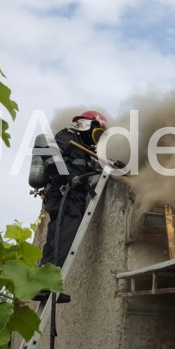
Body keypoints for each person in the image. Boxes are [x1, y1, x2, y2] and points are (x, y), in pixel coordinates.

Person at [35, 111, 108, 302]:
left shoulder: (85, 150)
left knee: (57, 238)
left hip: (72, 197)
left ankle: (44, 285)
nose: (97, 138)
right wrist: (68, 175)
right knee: (63, 237)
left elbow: (95, 173)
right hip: (64, 194)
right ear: (86, 125)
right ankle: (48, 284)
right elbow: (45, 150)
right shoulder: (67, 136)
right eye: (97, 131)